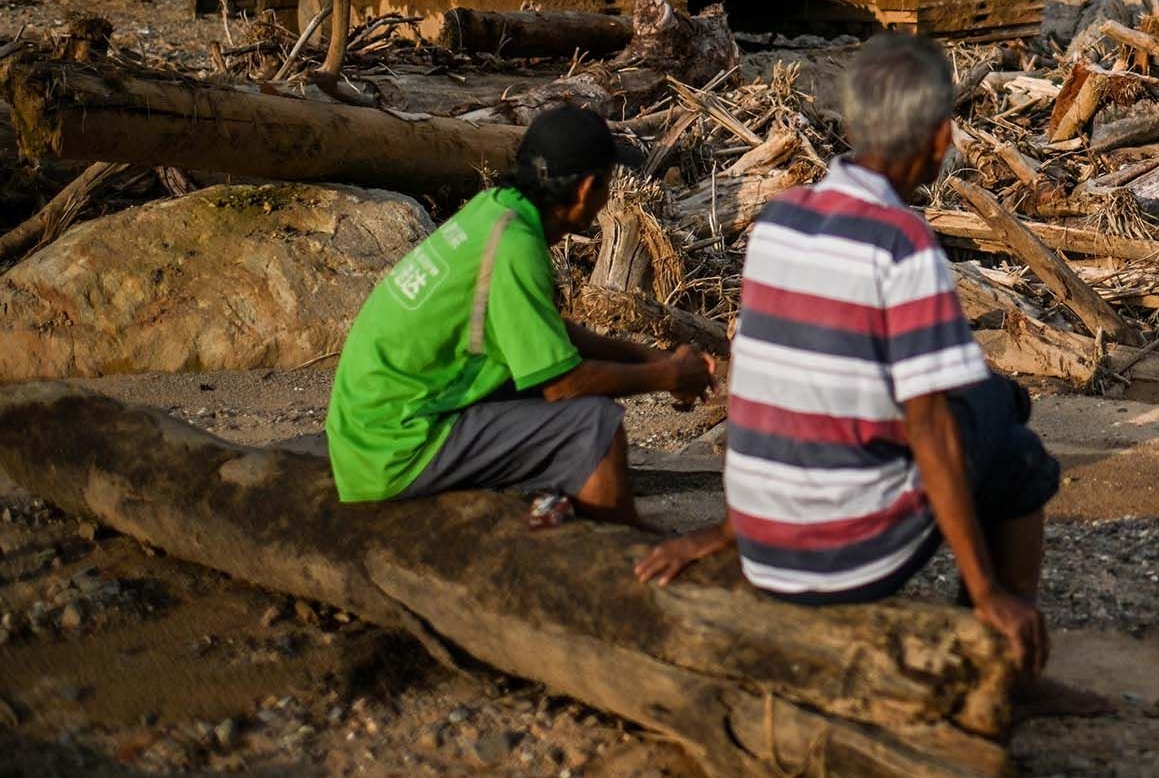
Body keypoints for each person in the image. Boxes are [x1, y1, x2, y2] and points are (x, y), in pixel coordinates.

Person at [634, 34, 1058, 681]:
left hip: (764, 542)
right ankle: (1004, 658)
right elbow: (930, 428)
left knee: (987, 403)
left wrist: (731, 527)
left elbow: (763, 386)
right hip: (845, 556)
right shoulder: (901, 243)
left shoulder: (779, 219)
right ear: (940, 139)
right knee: (1014, 442)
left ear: (853, 127)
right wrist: (985, 590)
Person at [325, 104, 713, 523]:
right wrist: (669, 376)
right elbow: (564, 384)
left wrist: (650, 357)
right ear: (587, 189)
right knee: (593, 423)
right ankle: (620, 548)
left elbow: (544, 334)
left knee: (553, 389)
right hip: (396, 447)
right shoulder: (516, 246)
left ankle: (577, 511)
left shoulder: (493, 210)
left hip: (366, 431)